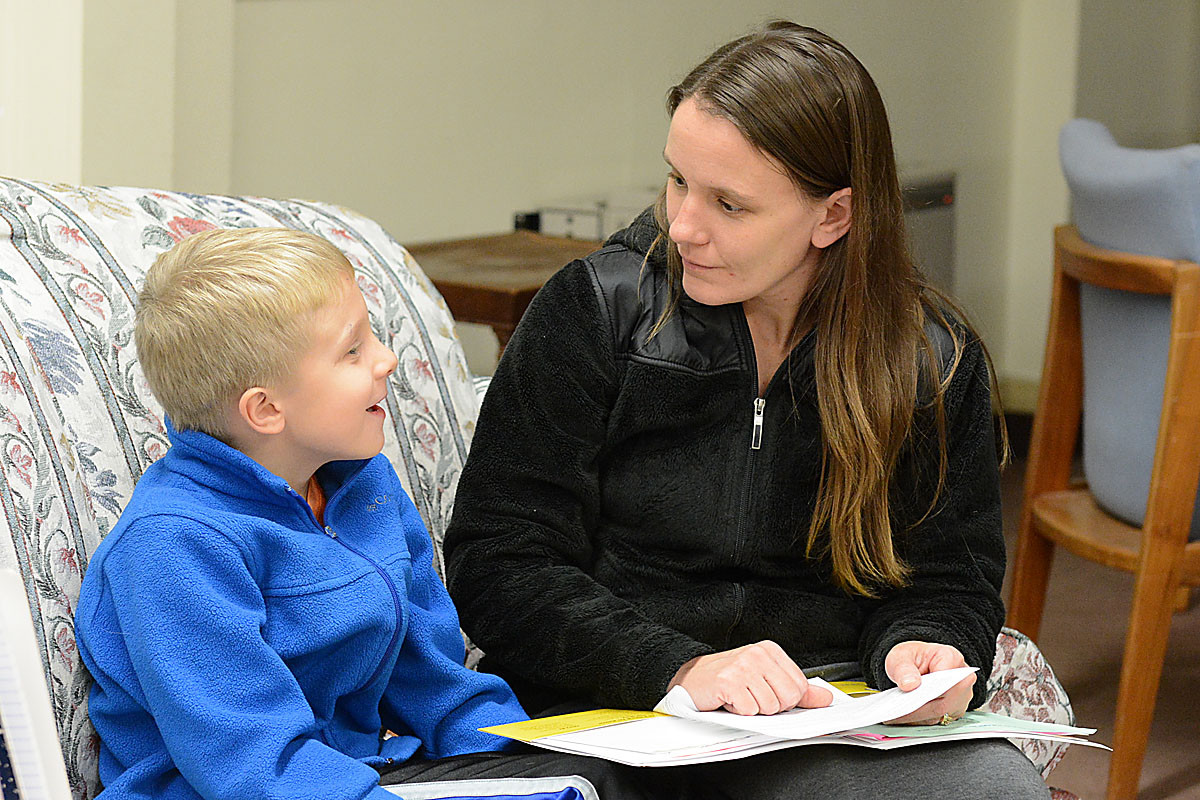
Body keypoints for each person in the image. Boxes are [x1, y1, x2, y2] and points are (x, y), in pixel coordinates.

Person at [444, 21, 1049, 800]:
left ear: (833, 217)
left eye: (729, 204)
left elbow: (951, 580)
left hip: (815, 718)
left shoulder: (932, 357)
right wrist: (680, 666)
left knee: (995, 790)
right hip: (610, 713)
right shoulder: (594, 310)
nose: (685, 225)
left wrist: (924, 646)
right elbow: (498, 565)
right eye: (677, 182)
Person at [74, 229, 660, 800]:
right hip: (250, 791)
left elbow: (432, 679)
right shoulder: (174, 548)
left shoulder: (361, 484)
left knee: (611, 779)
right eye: (352, 351)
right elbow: (251, 766)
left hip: (371, 773)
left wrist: (536, 756)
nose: (385, 360)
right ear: (266, 409)